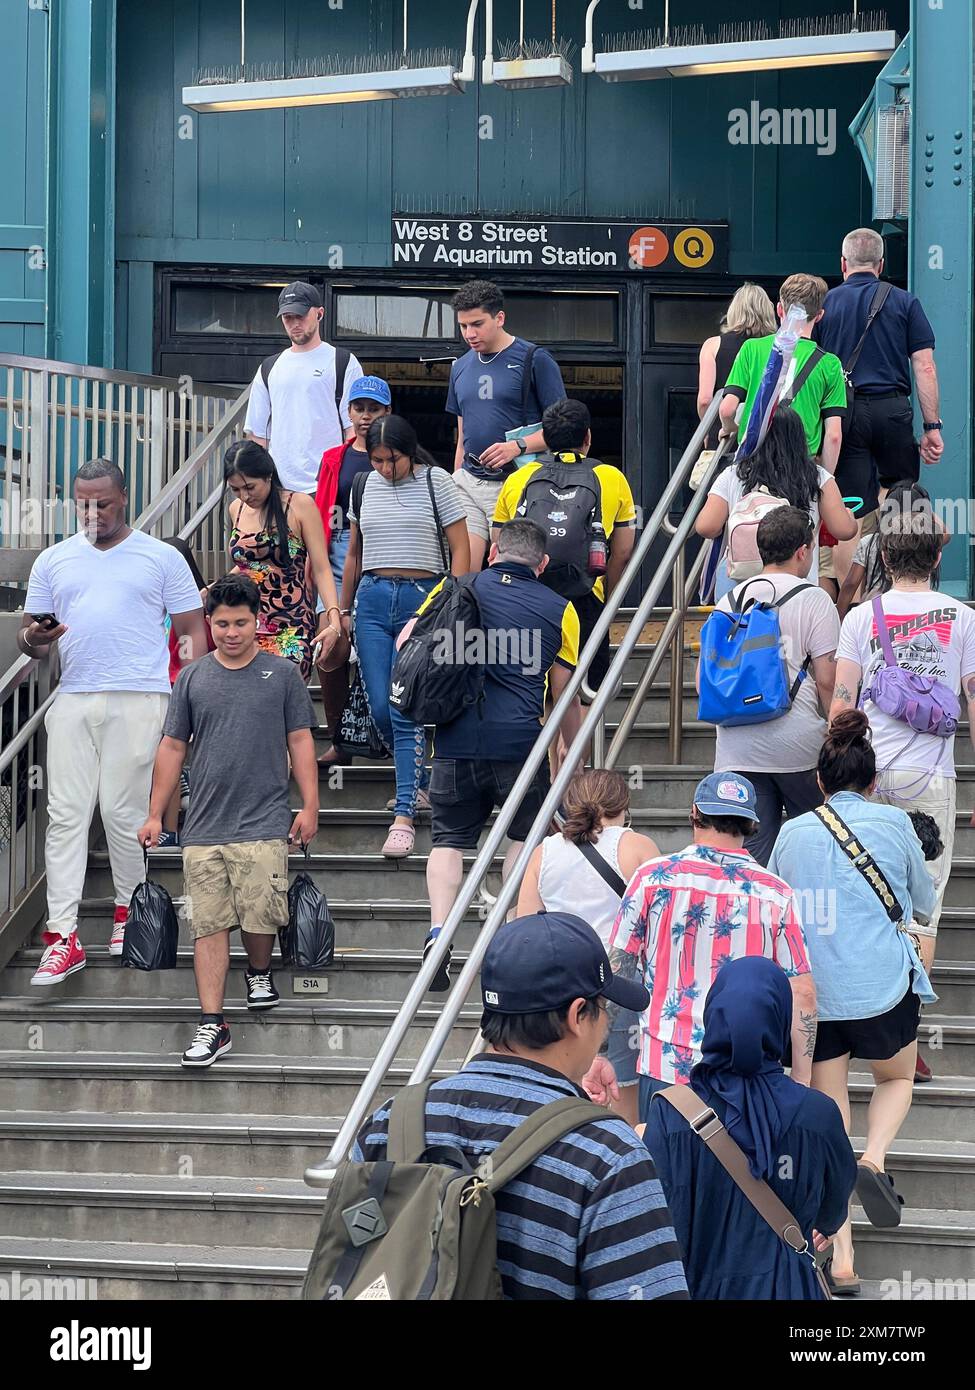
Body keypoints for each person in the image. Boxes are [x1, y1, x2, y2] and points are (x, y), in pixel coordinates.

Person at [351, 912, 689, 1301]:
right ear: (578, 1015)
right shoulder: (608, 1154)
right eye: (603, 1010)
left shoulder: (392, 1120)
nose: (606, 1026)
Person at [768, 710, 937, 1292]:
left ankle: (842, 1260)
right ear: (872, 782)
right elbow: (920, 900)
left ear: (819, 781)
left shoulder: (791, 833)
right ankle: (876, 1160)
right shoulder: (895, 826)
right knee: (895, 1080)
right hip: (882, 989)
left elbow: (776, 904)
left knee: (830, 1105)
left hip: (816, 993)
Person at [22, 458, 208, 984]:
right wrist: (35, 640)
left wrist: (188, 698)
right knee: (66, 816)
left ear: (124, 497)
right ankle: (63, 936)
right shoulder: (54, 560)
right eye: (82, 502)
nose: (92, 512)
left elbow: (192, 630)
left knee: (125, 811)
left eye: (101, 502)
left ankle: (130, 913)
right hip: (75, 696)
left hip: (143, 696)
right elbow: (30, 636)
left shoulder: (160, 557)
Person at [137, 574, 318, 1067]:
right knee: (208, 925)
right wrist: (156, 813)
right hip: (203, 826)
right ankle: (213, 1024)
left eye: (240, 623)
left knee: (260, 914)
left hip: (264, 819)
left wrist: (310, 804)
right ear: (209, 623)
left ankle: (259, 970)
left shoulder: (282, 675)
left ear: (257, 621)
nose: (231, 632)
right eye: (221, 623)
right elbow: (173, 747)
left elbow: (301, 741)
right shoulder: (193, 677)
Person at [582, 773, 818, 1126]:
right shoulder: (776, 893)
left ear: (694, 813)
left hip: (665, 1066)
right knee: (737, 1176)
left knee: (666, 1174)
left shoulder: (652, 878)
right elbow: (803, 994)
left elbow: (618, 972)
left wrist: (600, 1052)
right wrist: (801, 1082)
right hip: (747, 1072)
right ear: (752, 823)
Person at [421, 519, 581, 991]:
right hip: (520, 747)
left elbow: (410, 638)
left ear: (493, 552)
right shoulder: (560, 608)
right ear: (543, 563)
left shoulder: (454, 590)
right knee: (524, 838)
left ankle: (439, 931)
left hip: (453, 740)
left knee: (447, 841)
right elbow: (565, 695)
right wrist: (572, 757)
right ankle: (510, 933)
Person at [642, 957, 856, 1300]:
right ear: (781, 1019)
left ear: (713, 1015)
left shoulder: (671, 1113)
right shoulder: (818, 1114)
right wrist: (824, 1225)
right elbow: (836, 1197)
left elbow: (659, 1223)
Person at [831, 511, 975, 980]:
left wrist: (836, 784)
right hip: (929, 779)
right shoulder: (964, 618)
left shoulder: (857, 618)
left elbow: (841, 708)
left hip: (868, 779)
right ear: (937, 556)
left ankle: (868, 1011)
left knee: (868, 898)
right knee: (922, 909)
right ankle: (906, 1031)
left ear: (886, 558)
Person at [340, 414, 470, 857]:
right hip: (373, 601)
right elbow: (353, 552)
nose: (382, 468)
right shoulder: (362, 485)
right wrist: (342, 608)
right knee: (381, 705)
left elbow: (461, 548)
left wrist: (451, 606)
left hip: (424, 598)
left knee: (404, 706)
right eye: (375, 459)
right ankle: (419, 783)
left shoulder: (437, 482)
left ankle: (404, 815)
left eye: (390, 459)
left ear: (408, 452)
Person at [517, 769, 660, 1125]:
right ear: (623, 807)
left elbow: (526, 929)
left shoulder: (543, 852)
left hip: (561, 992)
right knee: (624, 1099)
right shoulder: (636, 846)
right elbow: (661, 925)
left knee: (564, 1091)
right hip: (622, 989)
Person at [700, 507, 841, 865]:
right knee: (814, 852)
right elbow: (827, 679)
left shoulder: (727, 602)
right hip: (800, 751)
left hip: (737, 750)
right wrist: (834, 729)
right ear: (802, 552)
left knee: (749, 861)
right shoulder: (814, 599)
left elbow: (708, 679)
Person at [815, 228, 943, 587]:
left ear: (843, 264)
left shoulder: (827, 306)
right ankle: (905, 590)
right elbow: (925, 366)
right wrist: (932, 427)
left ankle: (849, 611)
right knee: (900, 499)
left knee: (850, 510)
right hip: (893, 411)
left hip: (845, 413)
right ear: (881, 264)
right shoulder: (905, 302)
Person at [493, 398, 636, 690]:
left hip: (524, 597)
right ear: (587, 437)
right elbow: (622, 552)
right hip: (585, 594)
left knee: (534, 688)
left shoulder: (518, 479)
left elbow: (499, 543)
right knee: (583, 691)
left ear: (544, 438)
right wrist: (608, 600)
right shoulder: (611, 477)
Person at [447, 279, 566, 570]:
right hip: (469, 483)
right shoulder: (460, 366)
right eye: (463, 326)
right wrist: (456, 476)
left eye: (477, 324)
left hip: (516, 483)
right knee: (463, 574)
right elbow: (463, 434)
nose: (469, 334)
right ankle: (463, 618)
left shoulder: (534, 359)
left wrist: (517, 446)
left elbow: (563, 429)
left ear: (499, 318)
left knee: (511, 570)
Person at [696, 402, 856, 600]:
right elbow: (844, 530)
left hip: (739, 584)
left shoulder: (735, 474)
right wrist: (849, 517)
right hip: (796, 586)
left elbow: (706, 527)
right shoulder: (817, 477)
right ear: (798, 439)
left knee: (735, 630)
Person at [314, 375, 393, 765]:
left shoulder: (396, 455)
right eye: (359, 409)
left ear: (386, 412)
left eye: (373, 409)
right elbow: (322, 508)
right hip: (338, 546)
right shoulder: (335, 457)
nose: (365, 417)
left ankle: (388, 736)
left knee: (381, 647)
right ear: (349, 412)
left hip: (381, 547)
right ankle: (340, 740)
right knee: (330, 648)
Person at [226, 440, 342, 681]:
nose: (245, 496)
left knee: (283, 699)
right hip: (244, 622)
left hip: (291, 624)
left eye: (250, 487)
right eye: (236, 489)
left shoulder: (299, 505)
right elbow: (251, 564)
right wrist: (214, 588)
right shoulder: (235, 509)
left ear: (268, 475)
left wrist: (333, 618)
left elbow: (321, 567)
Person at [718, 273, 848, 477]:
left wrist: (729, 428)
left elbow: (727, 410)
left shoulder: (751, 349)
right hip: (801, 468)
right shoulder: (830, 364)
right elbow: (833, 436)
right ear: (820, 315)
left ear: (779, 309)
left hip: (754, 464)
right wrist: (823, 479)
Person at [243, 281, 362, 495]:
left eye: (301, 315)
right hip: (279, 484)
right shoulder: (269, 367)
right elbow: (257, 436)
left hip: (329, 482)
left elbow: (352, 430)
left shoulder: (342, 361)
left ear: (319, 313)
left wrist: (345, 477)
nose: (295, 323)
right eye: (288, 317)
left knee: (332, 530)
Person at [836, 480, 948, 620]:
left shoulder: (871, 542)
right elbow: (946, 533)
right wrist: (924, 507)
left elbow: (850, 584)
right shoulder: (927, 541)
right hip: (917, 614)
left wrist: (839, 616)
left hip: (876, 612)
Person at [697, 283, 778, 450]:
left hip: (722, 436)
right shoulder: (777, 348)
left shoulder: (713, 345)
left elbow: (705, 400)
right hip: (764, 436)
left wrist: (706, 431)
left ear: (734, 310)